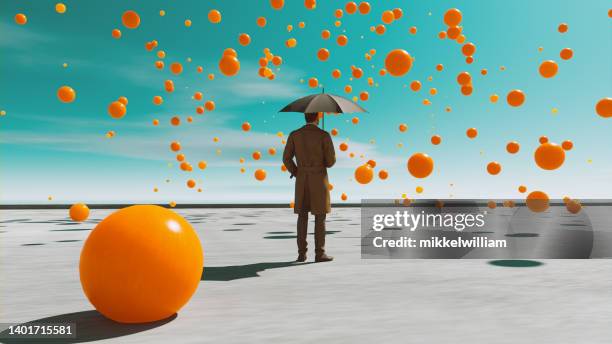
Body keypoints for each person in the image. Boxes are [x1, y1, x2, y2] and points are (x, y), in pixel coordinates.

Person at [282, 112, 336, 262]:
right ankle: (320, 253)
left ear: (305, 117)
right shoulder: (324, 135)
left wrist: (296, 171)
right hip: (319, 179)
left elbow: (286, 158)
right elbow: (330, 162)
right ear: (317, 118)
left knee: (302, 216)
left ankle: (301, 254)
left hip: (302, 180)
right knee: (320, 217)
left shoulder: (295, 135)